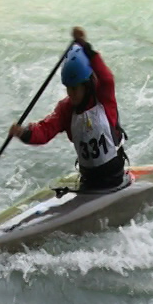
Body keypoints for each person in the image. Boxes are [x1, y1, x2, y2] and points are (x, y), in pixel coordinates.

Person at [9, 27, 128, 191]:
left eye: (75, 89)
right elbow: (45, 131)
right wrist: (24, 133)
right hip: (88, 179)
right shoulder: (66, 109)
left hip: (114, 176)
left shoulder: (103, 99)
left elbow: (107, 78)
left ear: (86, 86)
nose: (71, 94)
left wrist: (86, 47)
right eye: (68, 88)